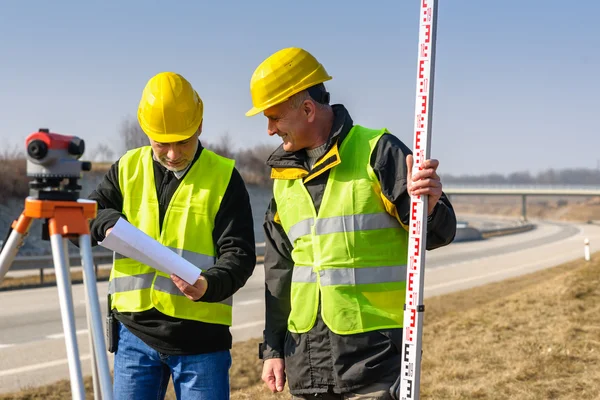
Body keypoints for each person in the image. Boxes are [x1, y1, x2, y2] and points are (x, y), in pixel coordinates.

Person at [245, 47, 457, 399]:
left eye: (274, 116)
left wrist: (430, 206)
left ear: (308, 109)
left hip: (374, 362)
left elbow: (438, 232)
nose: (269, 130)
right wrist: (273, 349)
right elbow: (279, 271)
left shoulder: (378, 151)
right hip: (307, 362)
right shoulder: (283, 178)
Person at [88, 72, 256, 399]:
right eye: (162, 142)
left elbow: (240, 255)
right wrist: (106, 220)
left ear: (200, 126)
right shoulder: (127, 167)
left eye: (183, 140)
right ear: (146, 131)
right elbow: (90, 213)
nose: (173, 153)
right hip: (134, 338)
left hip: (201, 344)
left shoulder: (224, 178)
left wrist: (209, 283)